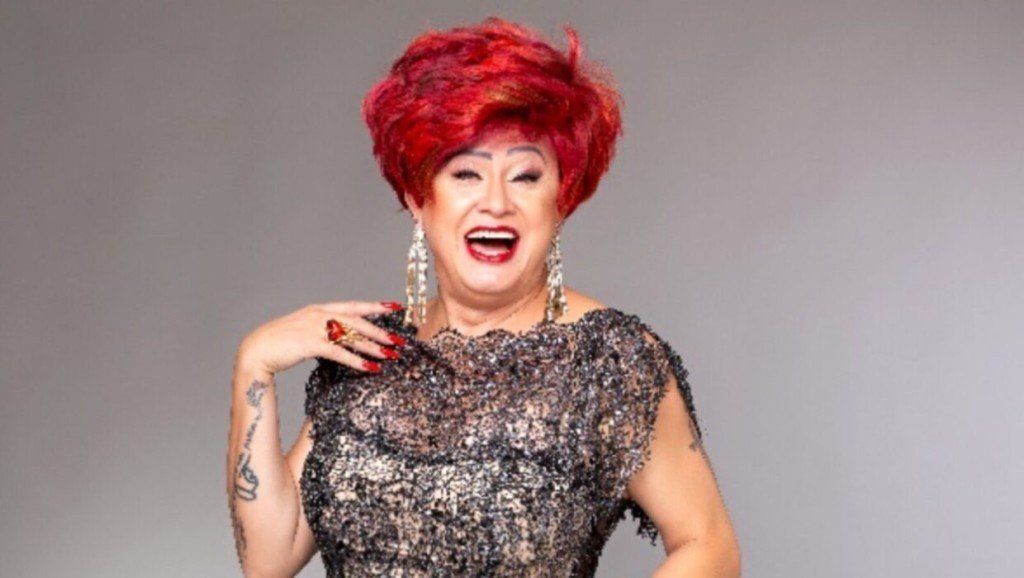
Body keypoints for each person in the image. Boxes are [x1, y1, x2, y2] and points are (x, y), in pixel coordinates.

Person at [226, 16, 741, 578]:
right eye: (466, 174)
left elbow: (708, 545)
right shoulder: (370, 354)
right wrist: (254, 367)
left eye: (525, 177)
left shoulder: (608, 361)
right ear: (418, 198)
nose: (495, 203)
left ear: (562, 199)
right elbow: (269, 559)